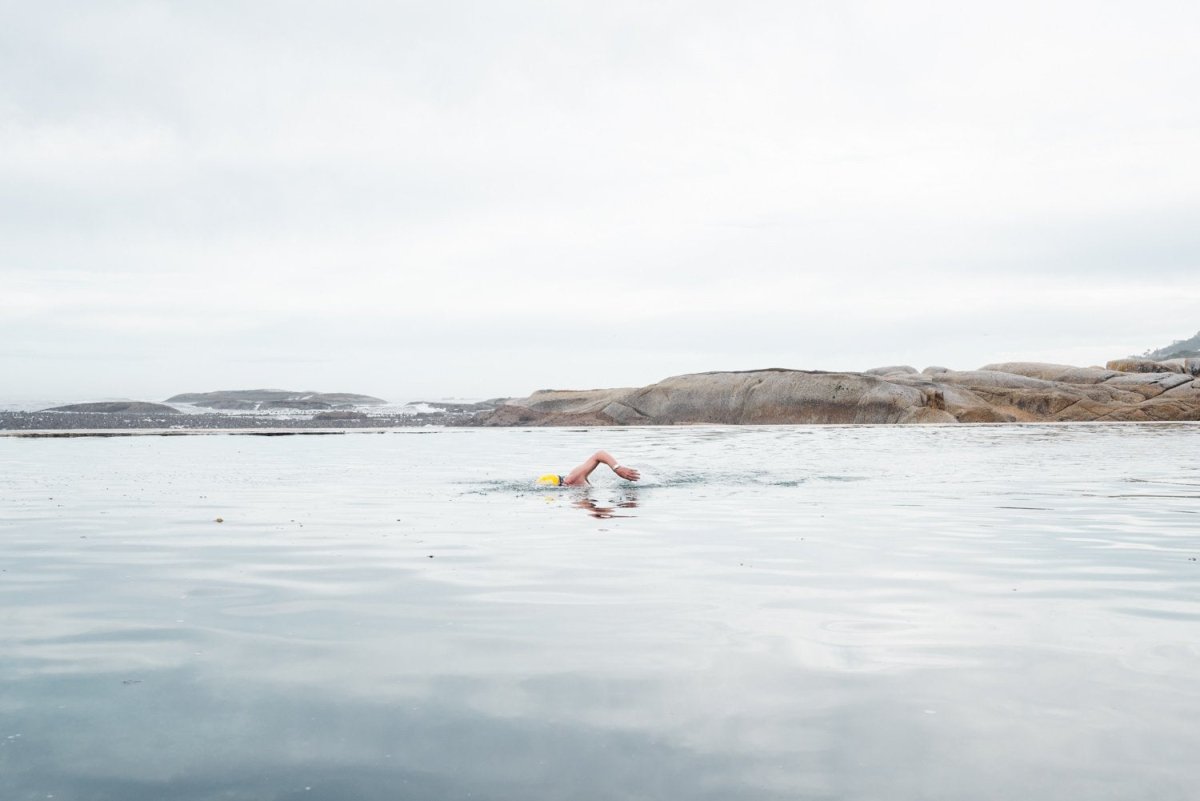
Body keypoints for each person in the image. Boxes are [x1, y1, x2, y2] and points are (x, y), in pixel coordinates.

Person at [538, 450, 640, 487]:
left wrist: (617, 468)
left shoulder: (573, 478)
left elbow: (599, 454)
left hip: (634, 476)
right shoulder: (572, 486)